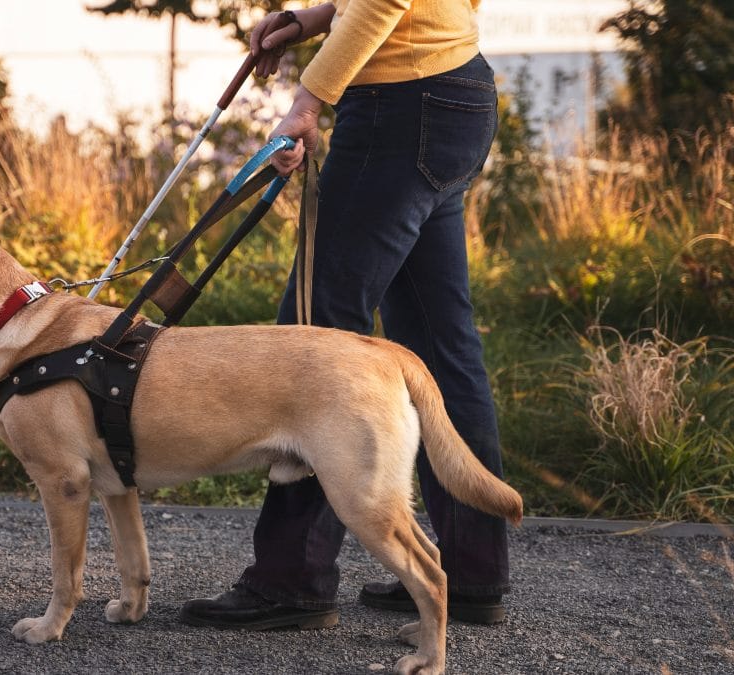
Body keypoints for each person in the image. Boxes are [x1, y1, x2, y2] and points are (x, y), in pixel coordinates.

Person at [180, 0, 510, 630]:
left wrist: (307, 101)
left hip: (399, 107)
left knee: (314, 342)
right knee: (441, 347)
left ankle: (291, 578)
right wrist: (312, 19)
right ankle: (470, 572)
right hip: (455, 89)